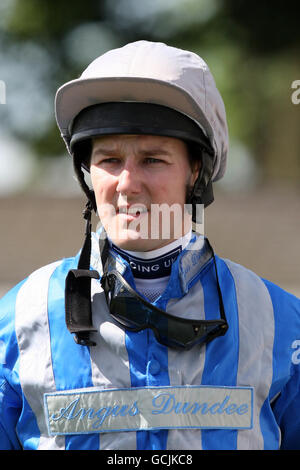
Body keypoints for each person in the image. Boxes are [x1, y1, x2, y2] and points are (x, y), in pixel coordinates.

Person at [0, 40, 299, 451]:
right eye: (109, 160)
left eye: (152, 159)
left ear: (196, 172)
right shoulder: (15, 322)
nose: (126, 183)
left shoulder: (281, 322)